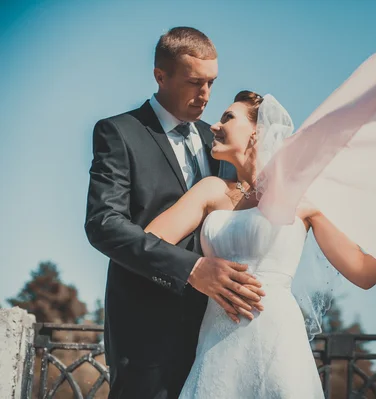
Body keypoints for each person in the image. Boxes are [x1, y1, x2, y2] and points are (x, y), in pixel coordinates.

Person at [144, 91, 376, 398]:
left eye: (227, 118)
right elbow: (148, 243)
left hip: (278, 341)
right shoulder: (211, 190)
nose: (214, 128)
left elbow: (362, 271)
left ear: (257, 132)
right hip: (216, 341)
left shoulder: (303, 196)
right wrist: (197, 272)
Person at [84, 27, 264, 399]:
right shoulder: (119, 133)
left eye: (212, 82)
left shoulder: (218, 141)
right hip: (147, 328)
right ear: (160, 76)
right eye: (194, 82)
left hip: (217, 331)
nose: (206, 95)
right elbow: (104, 224)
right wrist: (192, 269)